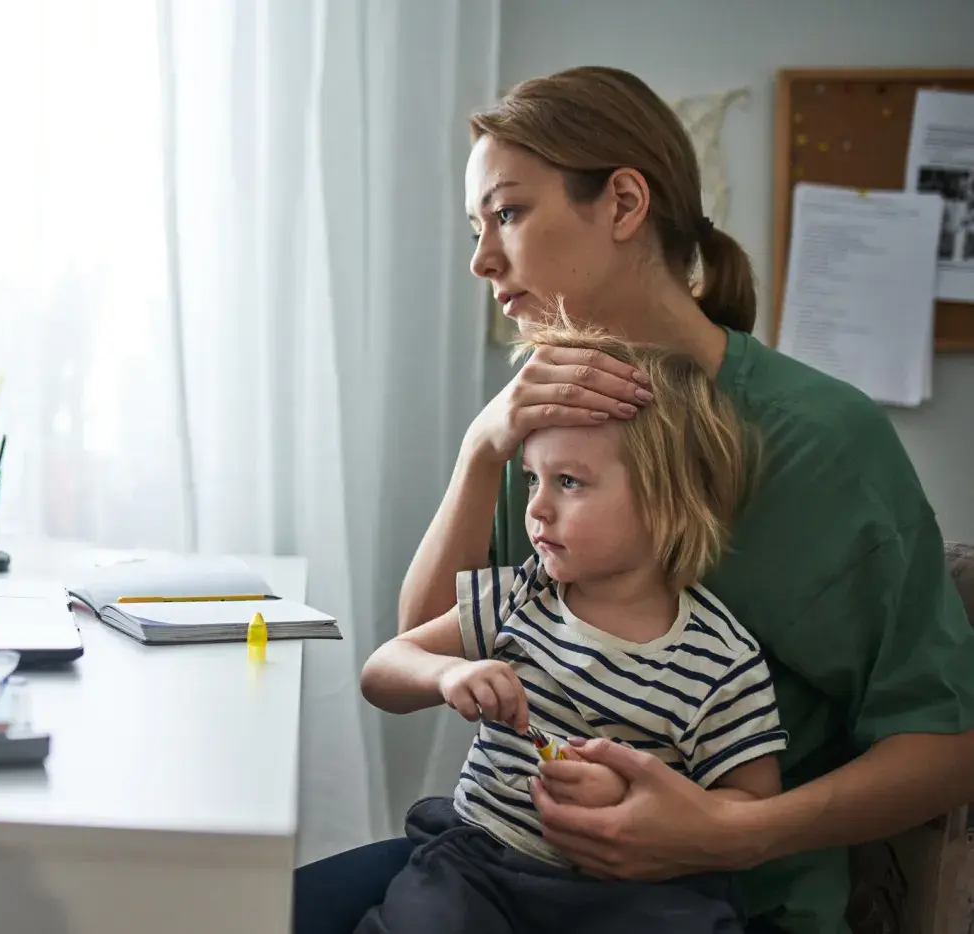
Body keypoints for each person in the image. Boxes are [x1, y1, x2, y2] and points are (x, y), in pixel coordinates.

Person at [292, 65, 974, 934]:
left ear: (622, 204)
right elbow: (419, 642)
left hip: (723, 901)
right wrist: (480, 448)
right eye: (476, 226)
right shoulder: (542, 417)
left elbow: (950, 746)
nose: (481, 258)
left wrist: (733, 832)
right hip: (506, 864)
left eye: (506, 213)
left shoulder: (826, 441)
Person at [355, 317, 784, 933]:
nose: (535, 506)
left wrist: (652, 804)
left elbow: (751, 807)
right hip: (482, 864)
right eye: (533, 478)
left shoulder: (722, 661)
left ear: (666, 502)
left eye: (569, 482)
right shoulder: (523, 594)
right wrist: (449, 673)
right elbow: (381, 672)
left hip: (630, 894)